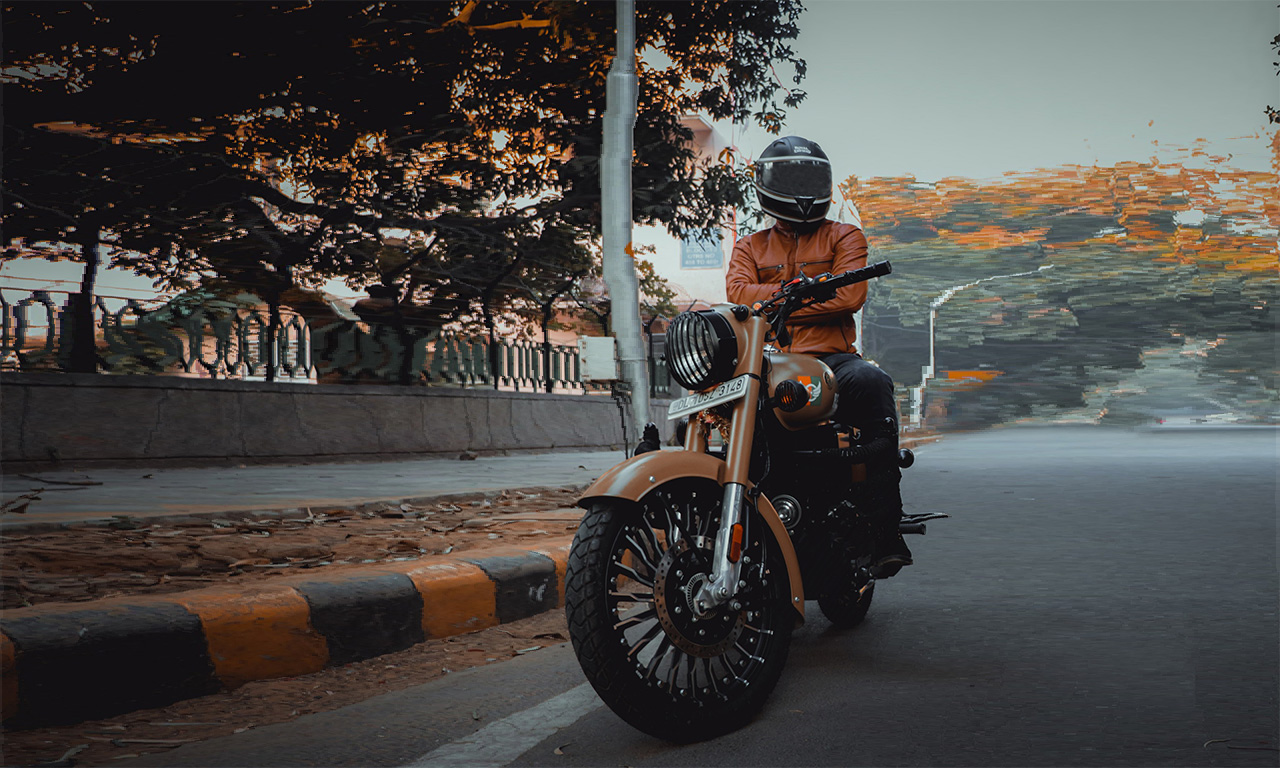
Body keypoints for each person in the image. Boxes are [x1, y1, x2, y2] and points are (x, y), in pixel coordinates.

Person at [725, 135, 912, 575]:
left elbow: (849, 295)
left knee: (872, 382)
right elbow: (736, 294)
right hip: (768, 363)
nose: (802, 187)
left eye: (809, 177)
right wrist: (801, 293)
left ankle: (885, 527)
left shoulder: (845, 236)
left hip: (833, 361)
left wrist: (775, 299)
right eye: (792, 177)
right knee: (706, 406)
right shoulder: (749, 246)